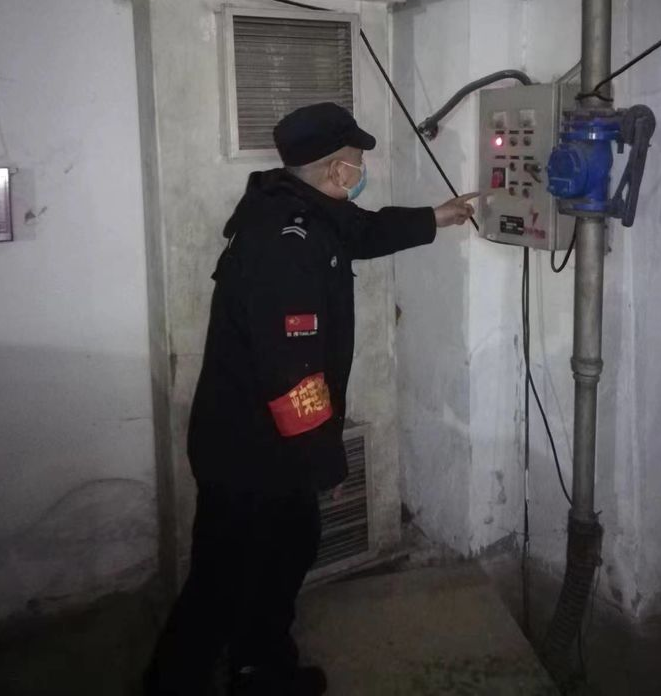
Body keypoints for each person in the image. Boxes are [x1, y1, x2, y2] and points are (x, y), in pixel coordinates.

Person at [144, 102, 477, 696]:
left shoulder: (300, 206)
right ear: (334, 169)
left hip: (258, 440)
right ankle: (180, 681)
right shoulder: (287, 243)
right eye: (356, 161)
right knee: (227, 575)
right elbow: (293, 376)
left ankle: (258, 666)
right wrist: (324, 463)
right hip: (252, 447)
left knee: (280, 554)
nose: (361, 170)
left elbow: (365, 231)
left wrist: (437, 217)